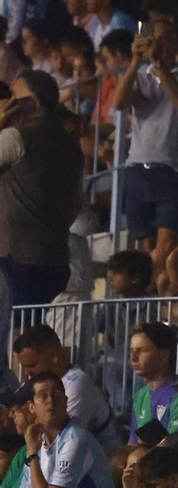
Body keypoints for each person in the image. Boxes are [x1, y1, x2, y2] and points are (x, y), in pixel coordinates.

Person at [109, 17, 178, 283]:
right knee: (146, 247)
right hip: (138, 168)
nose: (161, 44)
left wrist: (159, 66)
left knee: (167, 246)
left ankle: (143, 288)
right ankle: (149, 292)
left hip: (174, 171)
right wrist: (135, 62)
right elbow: (119, 102)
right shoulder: (143, 77)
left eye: (167, 39)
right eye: (156, 39)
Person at [0, 70, 82, 306]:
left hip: (15, 258)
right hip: (55, 257)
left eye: (15, 99)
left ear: (32, 103)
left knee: (13, 324)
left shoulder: (17, 137)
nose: (8, 103)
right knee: (31, 322)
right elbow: (76, 204)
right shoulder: (71, 145)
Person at [18, 372, 120, 488]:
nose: (51, 400)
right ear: (31, 407)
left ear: (65, 401)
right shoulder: (37, 441)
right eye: (43, 396)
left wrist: (32, 455)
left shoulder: (76, 439)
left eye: (57, 393)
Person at [13, 324, 116, 445]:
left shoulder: (77, 385)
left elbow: (58, 437)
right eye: (24, 367)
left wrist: (27, 424)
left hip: (106, 453)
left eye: (32, 365)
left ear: (52, 356)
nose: (27, 373)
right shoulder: (39, 384)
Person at [127, 323, 178, 442]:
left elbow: (175, 445)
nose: (133, 358)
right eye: (132, 350)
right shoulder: (140, 395)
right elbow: (133, 443)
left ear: (164, 355)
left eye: (142, 350)